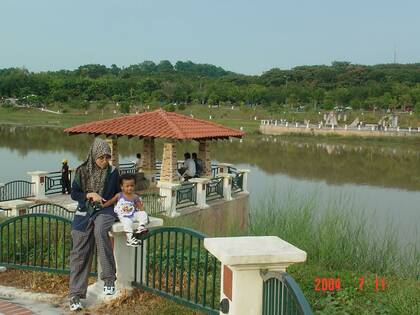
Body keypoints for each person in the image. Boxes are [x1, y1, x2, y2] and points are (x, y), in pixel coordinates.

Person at [68, 138, 120, 312]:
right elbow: (74, 193)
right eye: (101, 158)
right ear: (93, 156)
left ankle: (109, 279)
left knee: (100, 232)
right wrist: (90, 195)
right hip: (84, 212)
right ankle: (75, 295)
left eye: (107, 157)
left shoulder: (113, 172)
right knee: (79, 252)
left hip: (105, 211)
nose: (105, 161)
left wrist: (106, 203)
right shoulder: (82, 170)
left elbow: (118, 194)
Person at [102, 173, 149, 247]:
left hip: (133, 214)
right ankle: (130, 239)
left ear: (134, 185)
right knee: (127, 224)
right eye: (127, 186)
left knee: (143, 214)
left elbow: (140, 207)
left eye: (132, 186)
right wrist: (103, 205)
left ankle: (141, 227)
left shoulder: (135, 197)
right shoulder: (119, 195)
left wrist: (144, 215)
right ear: (122, 187)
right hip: (124, 216)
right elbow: (111, 201)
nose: (130, 188)